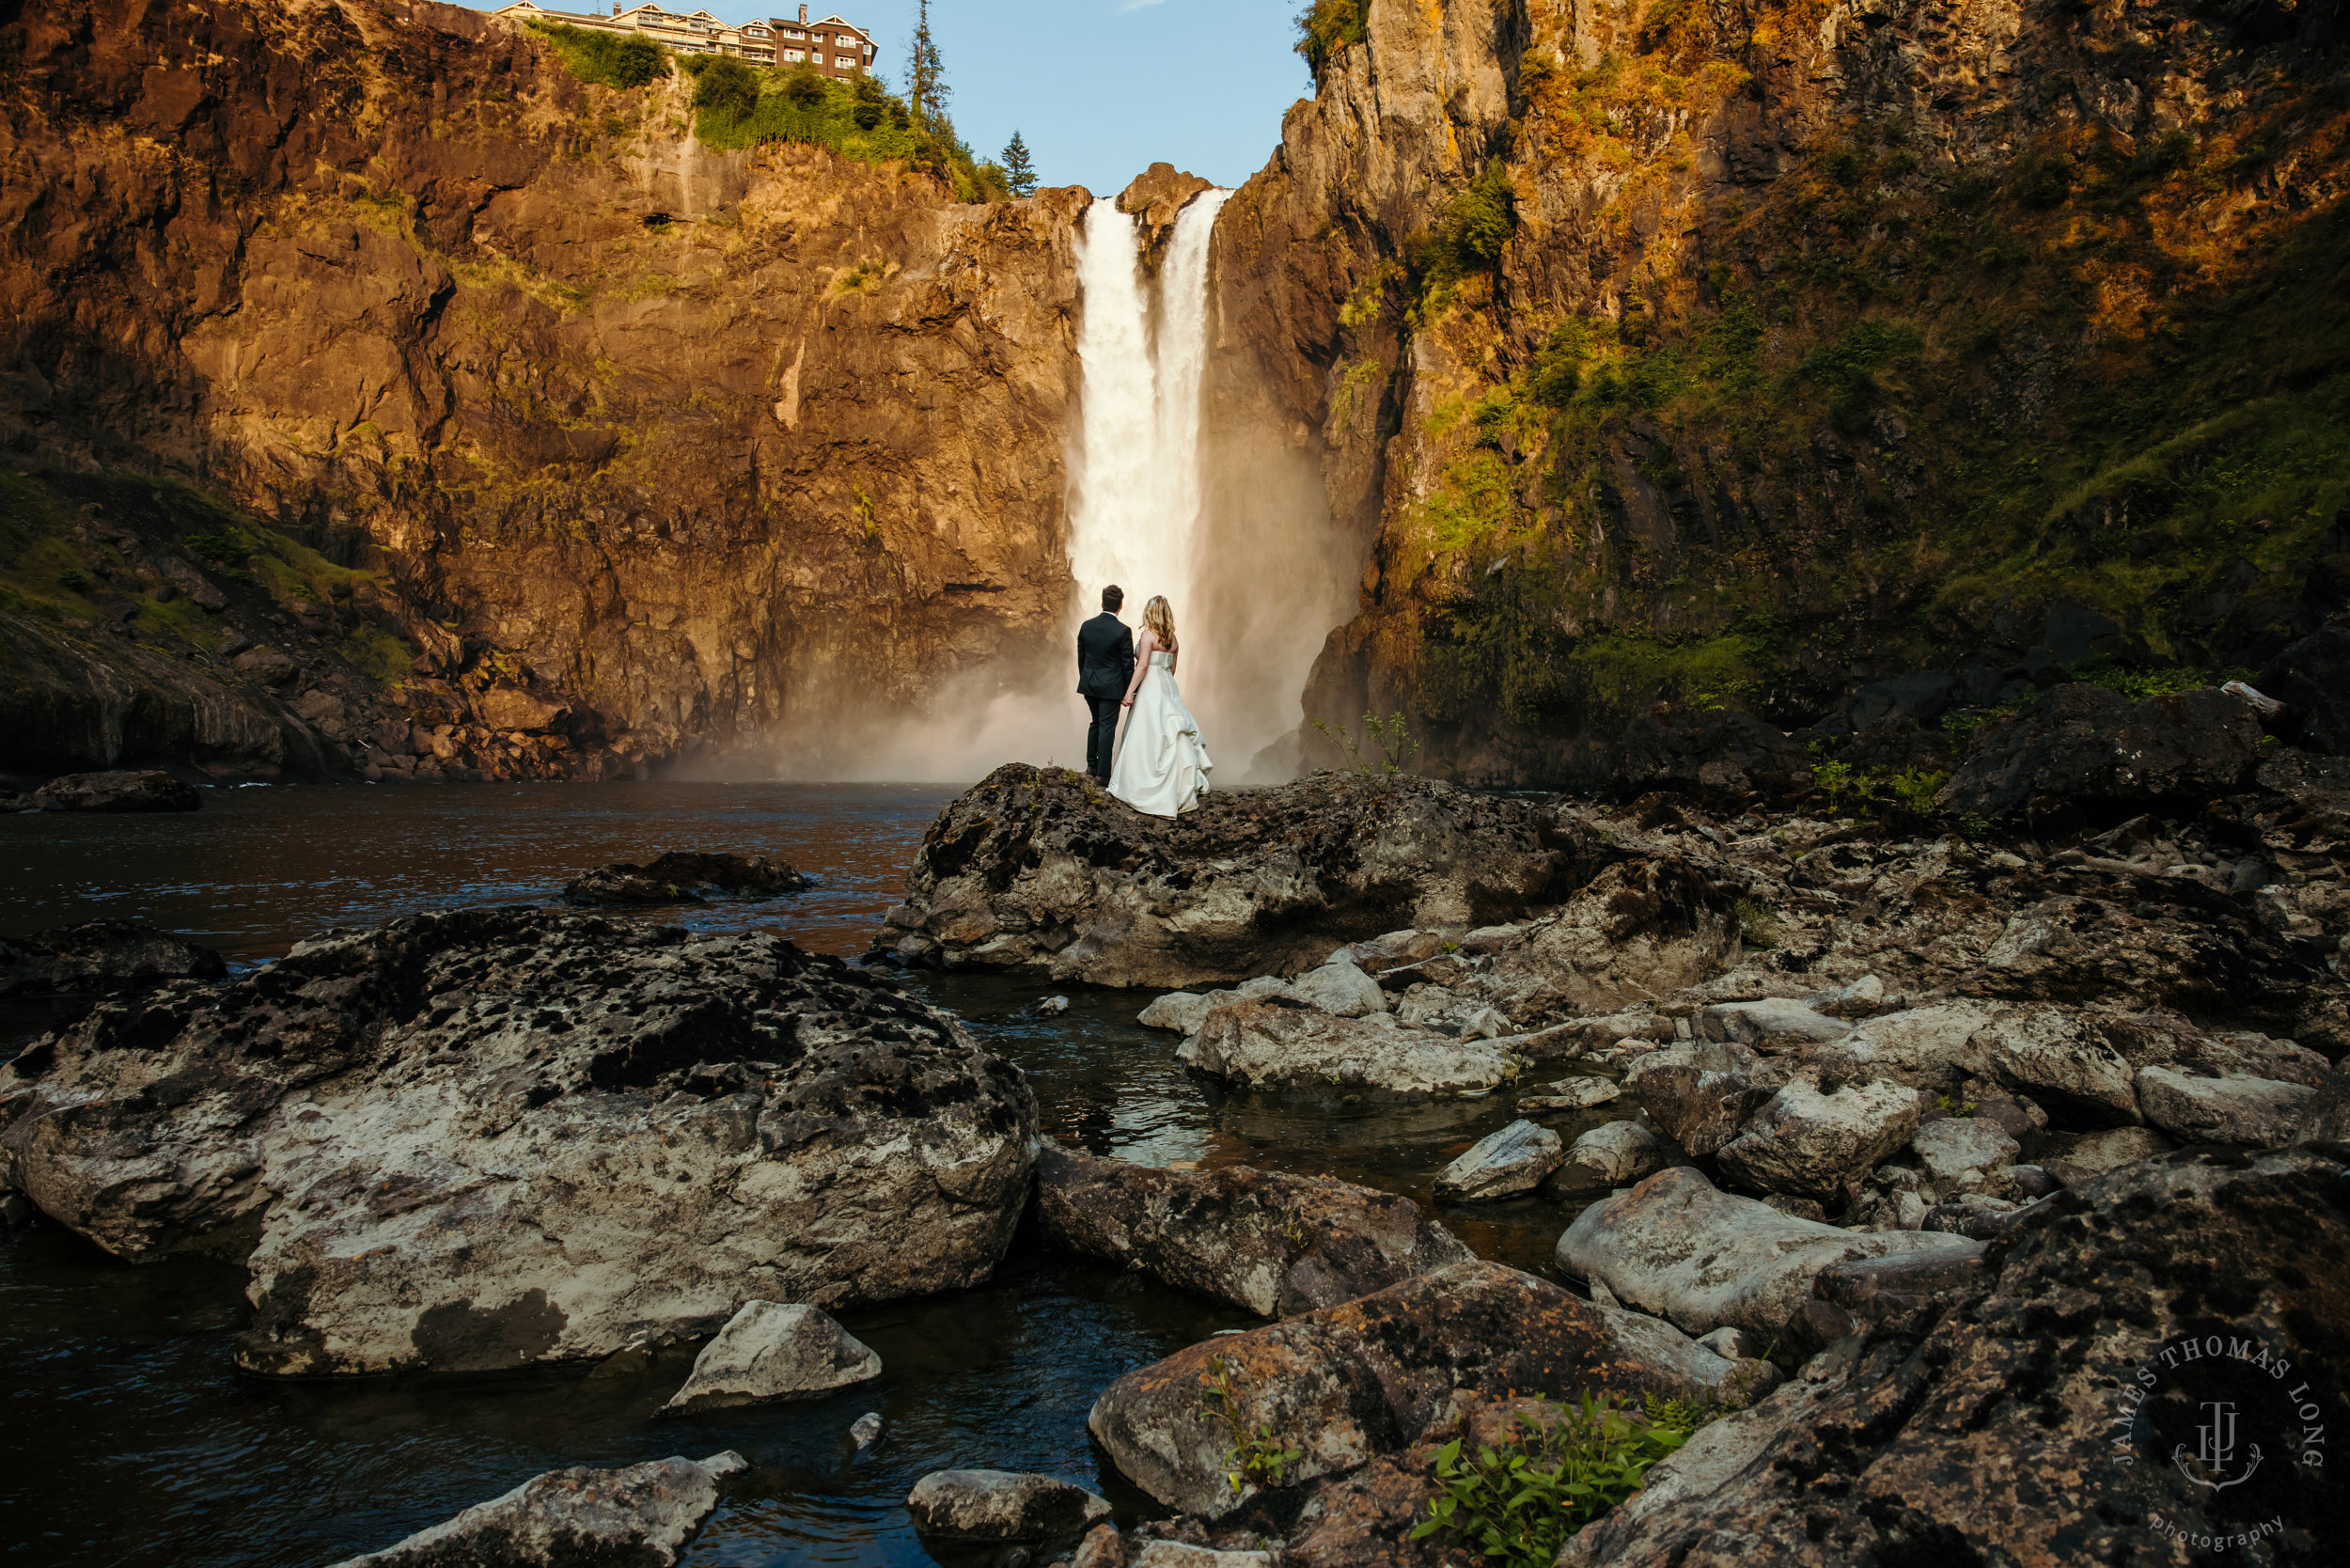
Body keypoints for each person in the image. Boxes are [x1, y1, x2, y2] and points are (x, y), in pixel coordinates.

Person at [1108, 594, 1212, 816]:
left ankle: (1145, 782)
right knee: (1171, 732)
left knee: (1148, 731)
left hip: (1150, 688)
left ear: (1150, 613)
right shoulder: (1173, 639)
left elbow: (1143, 665)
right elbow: (1172, 670)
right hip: (1167, 687)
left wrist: (1130, 692)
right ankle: (1181, 783)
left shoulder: (1148, 635)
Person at [1075, 584, 1135, 783]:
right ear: (1120, 606)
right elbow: (1127, 665)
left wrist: (1086, 678)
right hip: (1111, 687)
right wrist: (1130, 690)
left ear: (1102, 603)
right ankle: (1103, 774)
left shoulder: (1086, 626)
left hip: (1090, 684)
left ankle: (1091, 766)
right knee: (1107, 727)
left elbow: (1081, 657)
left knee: (1095, 723)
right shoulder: (1123, 631)